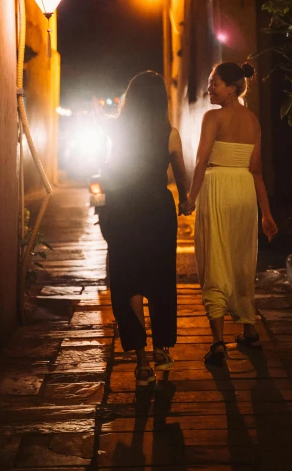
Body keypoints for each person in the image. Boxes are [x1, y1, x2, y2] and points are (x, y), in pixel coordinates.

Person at [97, 71, 189, 386]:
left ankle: (141, 363)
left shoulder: (115, 129)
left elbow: (103, 167)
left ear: (131, 97)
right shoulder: (169, 132)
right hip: (157, 210)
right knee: (160, 277)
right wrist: (186, 201)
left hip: (123, 208)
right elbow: (179, 172)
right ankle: (161, 350)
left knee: (128, 280)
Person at [182, 61, 278, 365]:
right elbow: (257, 172)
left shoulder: (213, 117)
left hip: (218, 187)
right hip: (244, 191)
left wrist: (191, 197)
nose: (210, 88)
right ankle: (250, 331)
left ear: (232, 88)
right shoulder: (252, 121)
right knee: (240, 258)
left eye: (215, 83)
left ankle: (219, 341)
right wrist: (266, 214)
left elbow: (201, 161)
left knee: (214, 258)